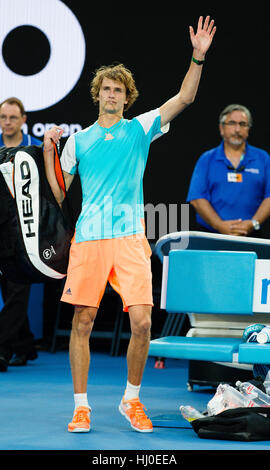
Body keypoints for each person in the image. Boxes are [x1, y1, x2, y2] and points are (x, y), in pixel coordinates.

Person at [43, 16, 216, 433]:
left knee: (142, 322)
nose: (112, 95)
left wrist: (198, 56)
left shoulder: (140, 128)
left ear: (127, 98)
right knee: (82, 321)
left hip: (130, 239)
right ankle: (81, 406)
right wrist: (51, 150)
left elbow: (185, 98)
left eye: (119, 90)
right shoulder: (79, 140)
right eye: (106, 88)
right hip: (89, 240)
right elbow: (60, 190)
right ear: (97, 95)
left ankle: (131, 399)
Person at [0, 97, 42, 371]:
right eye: (3, 117)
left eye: (13, 117)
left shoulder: (35, 150)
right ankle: (25, 345)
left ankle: (1, 349)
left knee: (17, 290)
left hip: (26, 231)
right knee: (9, 289)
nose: (7, 122)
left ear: (24, 119)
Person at [187, 104, 270, 236]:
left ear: (248, 129)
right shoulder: (207, 159)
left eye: (243, 124)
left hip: (253, 236)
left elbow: (269, 197)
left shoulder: (263, 158)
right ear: (221, 128)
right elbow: (197, 198)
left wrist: (253, 223)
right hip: (212, 236)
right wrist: (219, 225)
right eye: (232, 123)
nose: (237, 129)